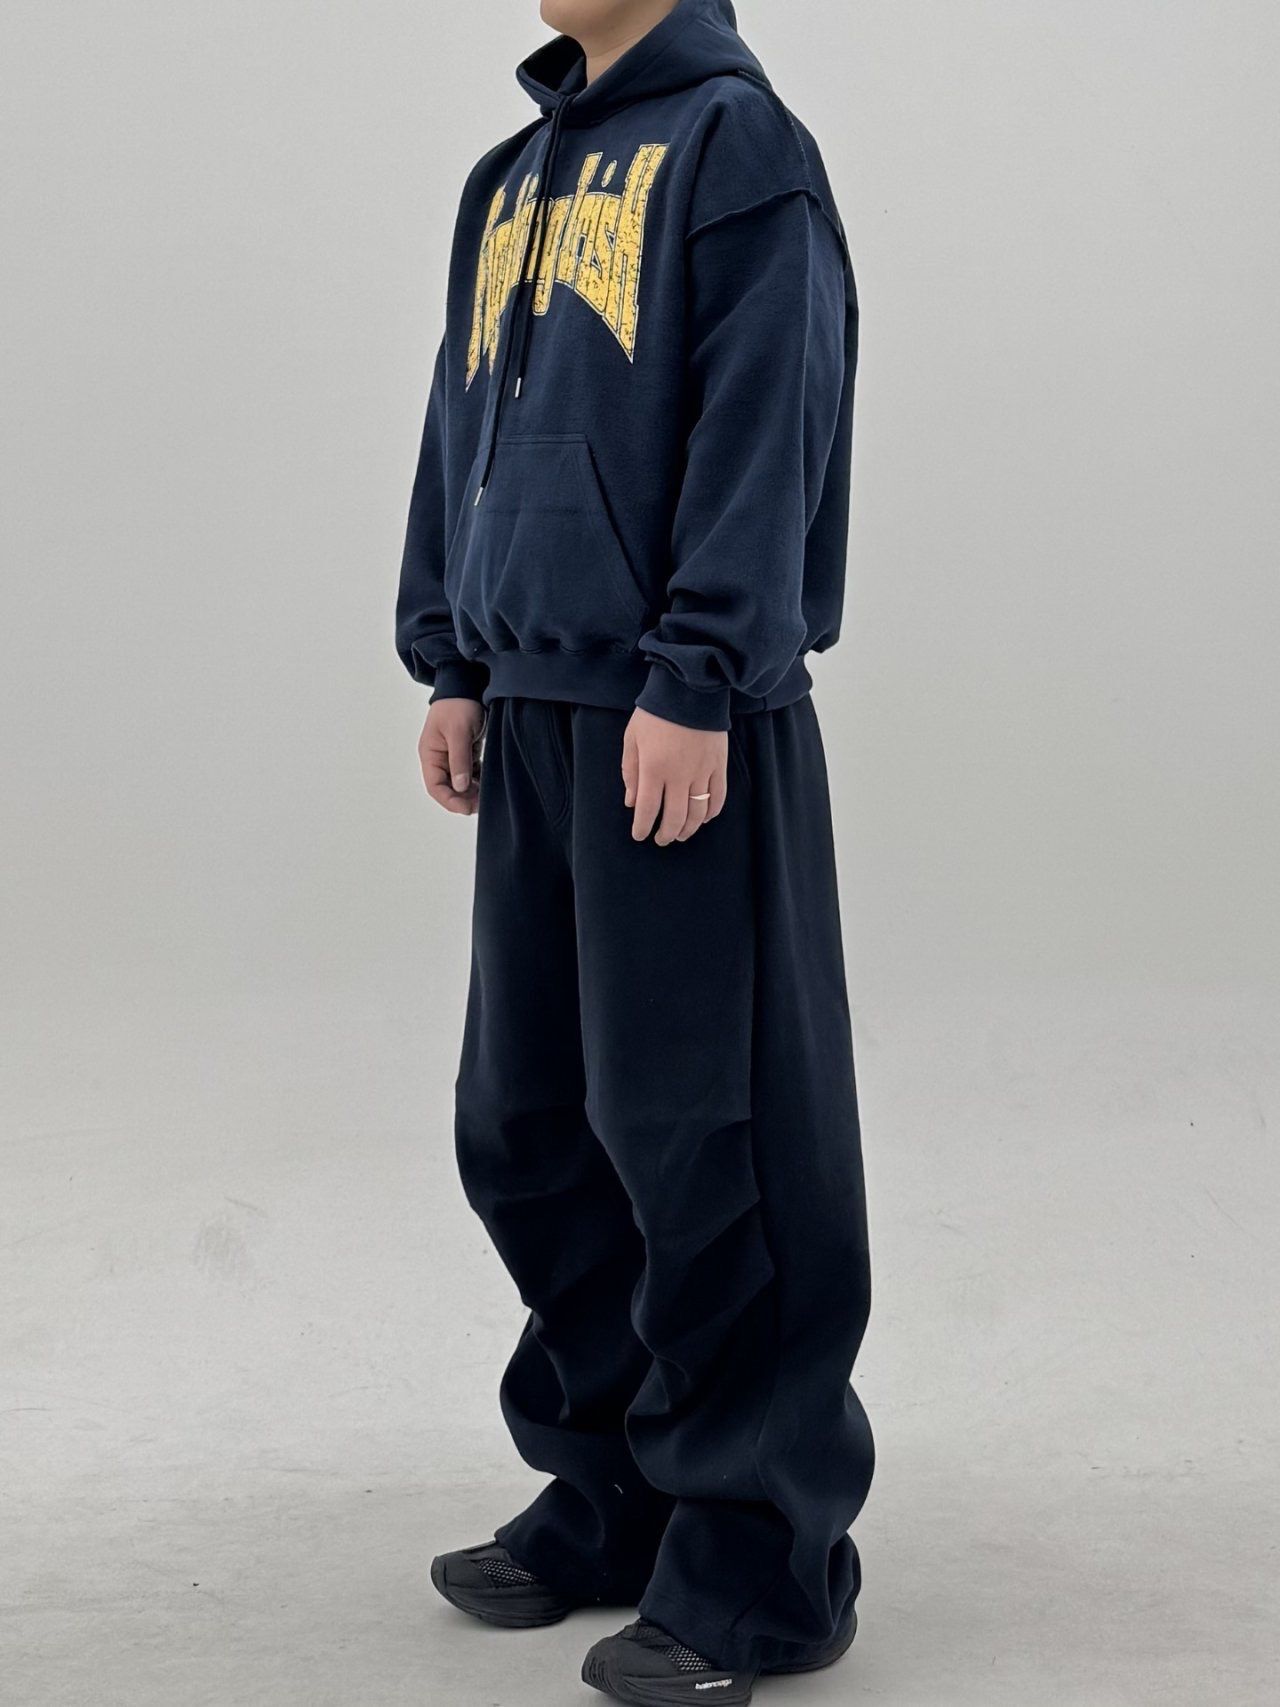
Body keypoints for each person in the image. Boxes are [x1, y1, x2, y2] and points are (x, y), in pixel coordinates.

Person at [395, 1, 873, 1700]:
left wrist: (700, 672)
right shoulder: (509, 177)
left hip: (678, 718)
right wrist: (453, 655)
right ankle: (612, 1488)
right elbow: (458, 426)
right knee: (529, 1125)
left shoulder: (743, 150)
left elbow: (768, 417)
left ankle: (758, 1555)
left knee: (706, 1138)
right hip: (530, 702)